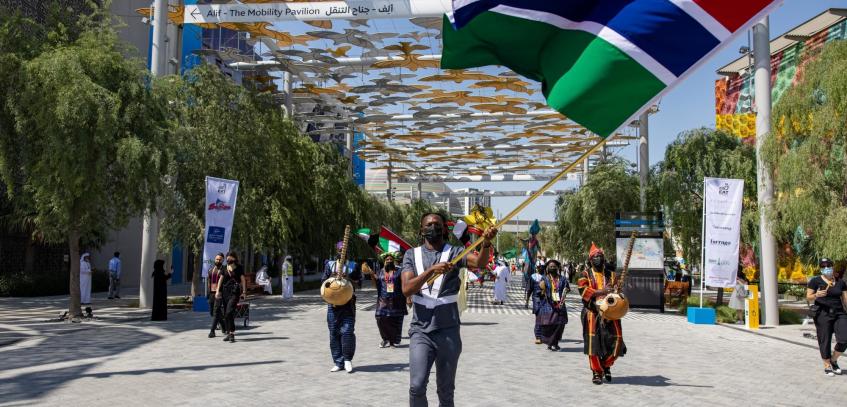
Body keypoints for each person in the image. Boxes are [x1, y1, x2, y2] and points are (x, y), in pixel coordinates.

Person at [401, 212, 496, 407]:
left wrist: (485, 243)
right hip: (421, 331)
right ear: (421, 230)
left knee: (446, 390)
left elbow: (480, 263)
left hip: (448, 331)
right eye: (428, 224)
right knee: (417, 386)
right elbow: (407, 289)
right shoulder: (412, 255)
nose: (432, 227)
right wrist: (430, 271)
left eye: (437, 224)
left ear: (445, 229)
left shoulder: (454, 253)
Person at [578, 243, 626, 385]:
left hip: (611, 313)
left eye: (600, 256)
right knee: (593, 344)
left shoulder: (611, 275)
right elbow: (583, 291)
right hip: (592, 313)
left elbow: (617, 293)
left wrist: (618, 289)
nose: (598, 258)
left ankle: (606, 365)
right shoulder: (584, 274)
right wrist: (601, 292)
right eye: (595, 257)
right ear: (591, 260)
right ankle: (597, 372)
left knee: (617, 341)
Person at [323, 241, 362, 373]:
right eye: (340, 250)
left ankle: (347, 360)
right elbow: (324, 283)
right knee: (334, 332)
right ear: (337, 251)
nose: (342, 252)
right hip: (333, 305)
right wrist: (332, 279)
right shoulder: (330, 264)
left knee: (347, 331)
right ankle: (338, 361)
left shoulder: (353, 266)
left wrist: (349, 279)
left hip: (348, 304)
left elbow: (359, 284)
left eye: (344, 250)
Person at [806, 258, 847, 376]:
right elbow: (808, 297)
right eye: (823, 266)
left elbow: (845, 299)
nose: (826, 268)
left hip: (839, 313)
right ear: (821, 268)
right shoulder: (815, 281)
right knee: (825, 339)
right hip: (822, 313)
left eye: (828, 265)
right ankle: (827, 364)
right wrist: (816, 295)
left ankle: (834, 360)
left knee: (844, 339)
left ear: (833, 267)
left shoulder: (840, 282)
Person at [374, 252, 407, 348]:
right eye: (387, 260)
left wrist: (409, 297)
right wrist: (371, 274)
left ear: (394, 261)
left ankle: (392, 341)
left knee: (394, 320)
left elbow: (405, 283)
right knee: (380, 318)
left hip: (396, 299)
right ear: (384, 261)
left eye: (391, 260)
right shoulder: (380, 271)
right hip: (383, 299)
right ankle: (385, 338)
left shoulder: (399, 271)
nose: (389, 261)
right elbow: (377, 284)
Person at [537, 259, 570, 351]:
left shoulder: (563, 279)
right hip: (548, 305)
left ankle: (555, 342)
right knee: (549, 325)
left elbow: (566, 289)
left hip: (560, 304)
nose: (552, 268)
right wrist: (541, 288)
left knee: (560, 325)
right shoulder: (544, 278)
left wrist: (565, 292)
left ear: (558, 268)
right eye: (550, 266)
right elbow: (538, 291)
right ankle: (551, 343)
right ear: (547, 268)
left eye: (554, 266)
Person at [216, 252, 246, 342]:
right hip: (225, 292)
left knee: (229, 311)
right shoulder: (224, 268)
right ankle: (229, 333)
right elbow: (220, 280)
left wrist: (244, 292)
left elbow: (243, 280)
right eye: (227, 258)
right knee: (226, 313)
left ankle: (232, 333)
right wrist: (218, 291)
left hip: (235, 292)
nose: (228, 259)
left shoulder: (239, 268)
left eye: (230, 258)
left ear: (234, 258)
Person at [207, 253, 226, 338]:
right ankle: (224, 325)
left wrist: (219, 291)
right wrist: (208, 292)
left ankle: (212, 331)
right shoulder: (211, 269)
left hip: (220, 293)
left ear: (223, 260)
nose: (218, 261)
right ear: (215, 259)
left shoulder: (223, 270)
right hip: (211, 293)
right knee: (212, 312)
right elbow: (209, 281)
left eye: (220, 259)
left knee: (216, 311)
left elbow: (221, 281)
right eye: (217, 259)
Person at [530, 264, 544, 344]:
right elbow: (530, 289)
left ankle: (543, 335)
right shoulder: (533, 277)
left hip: (545, 300)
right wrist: (527, 299)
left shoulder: (547, 278)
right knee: (539, 317)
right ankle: (538, 336)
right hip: (537, 300)